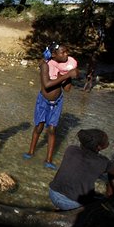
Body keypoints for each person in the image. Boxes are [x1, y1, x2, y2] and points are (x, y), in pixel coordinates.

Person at [23, 42, 79, 170]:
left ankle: (48, 159)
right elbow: (47, 85)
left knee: (53, 130)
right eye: (63, 52)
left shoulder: (63, 68)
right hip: (43, 101)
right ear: (54, 55)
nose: (66, 55)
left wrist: (70, 76)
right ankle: (31, 151)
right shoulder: (45, 65)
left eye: (67, 52)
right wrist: (67, 75)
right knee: (39, 127)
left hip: (57, 102)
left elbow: (67, 89)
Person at [49, 129, 114, 211]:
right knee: (104, 204)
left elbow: (82, 168)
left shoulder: (71, 149)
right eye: (106, 142)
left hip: (53, 193)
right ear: (99, 147)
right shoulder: (102, 162)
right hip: (71, 202)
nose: (108, 143)